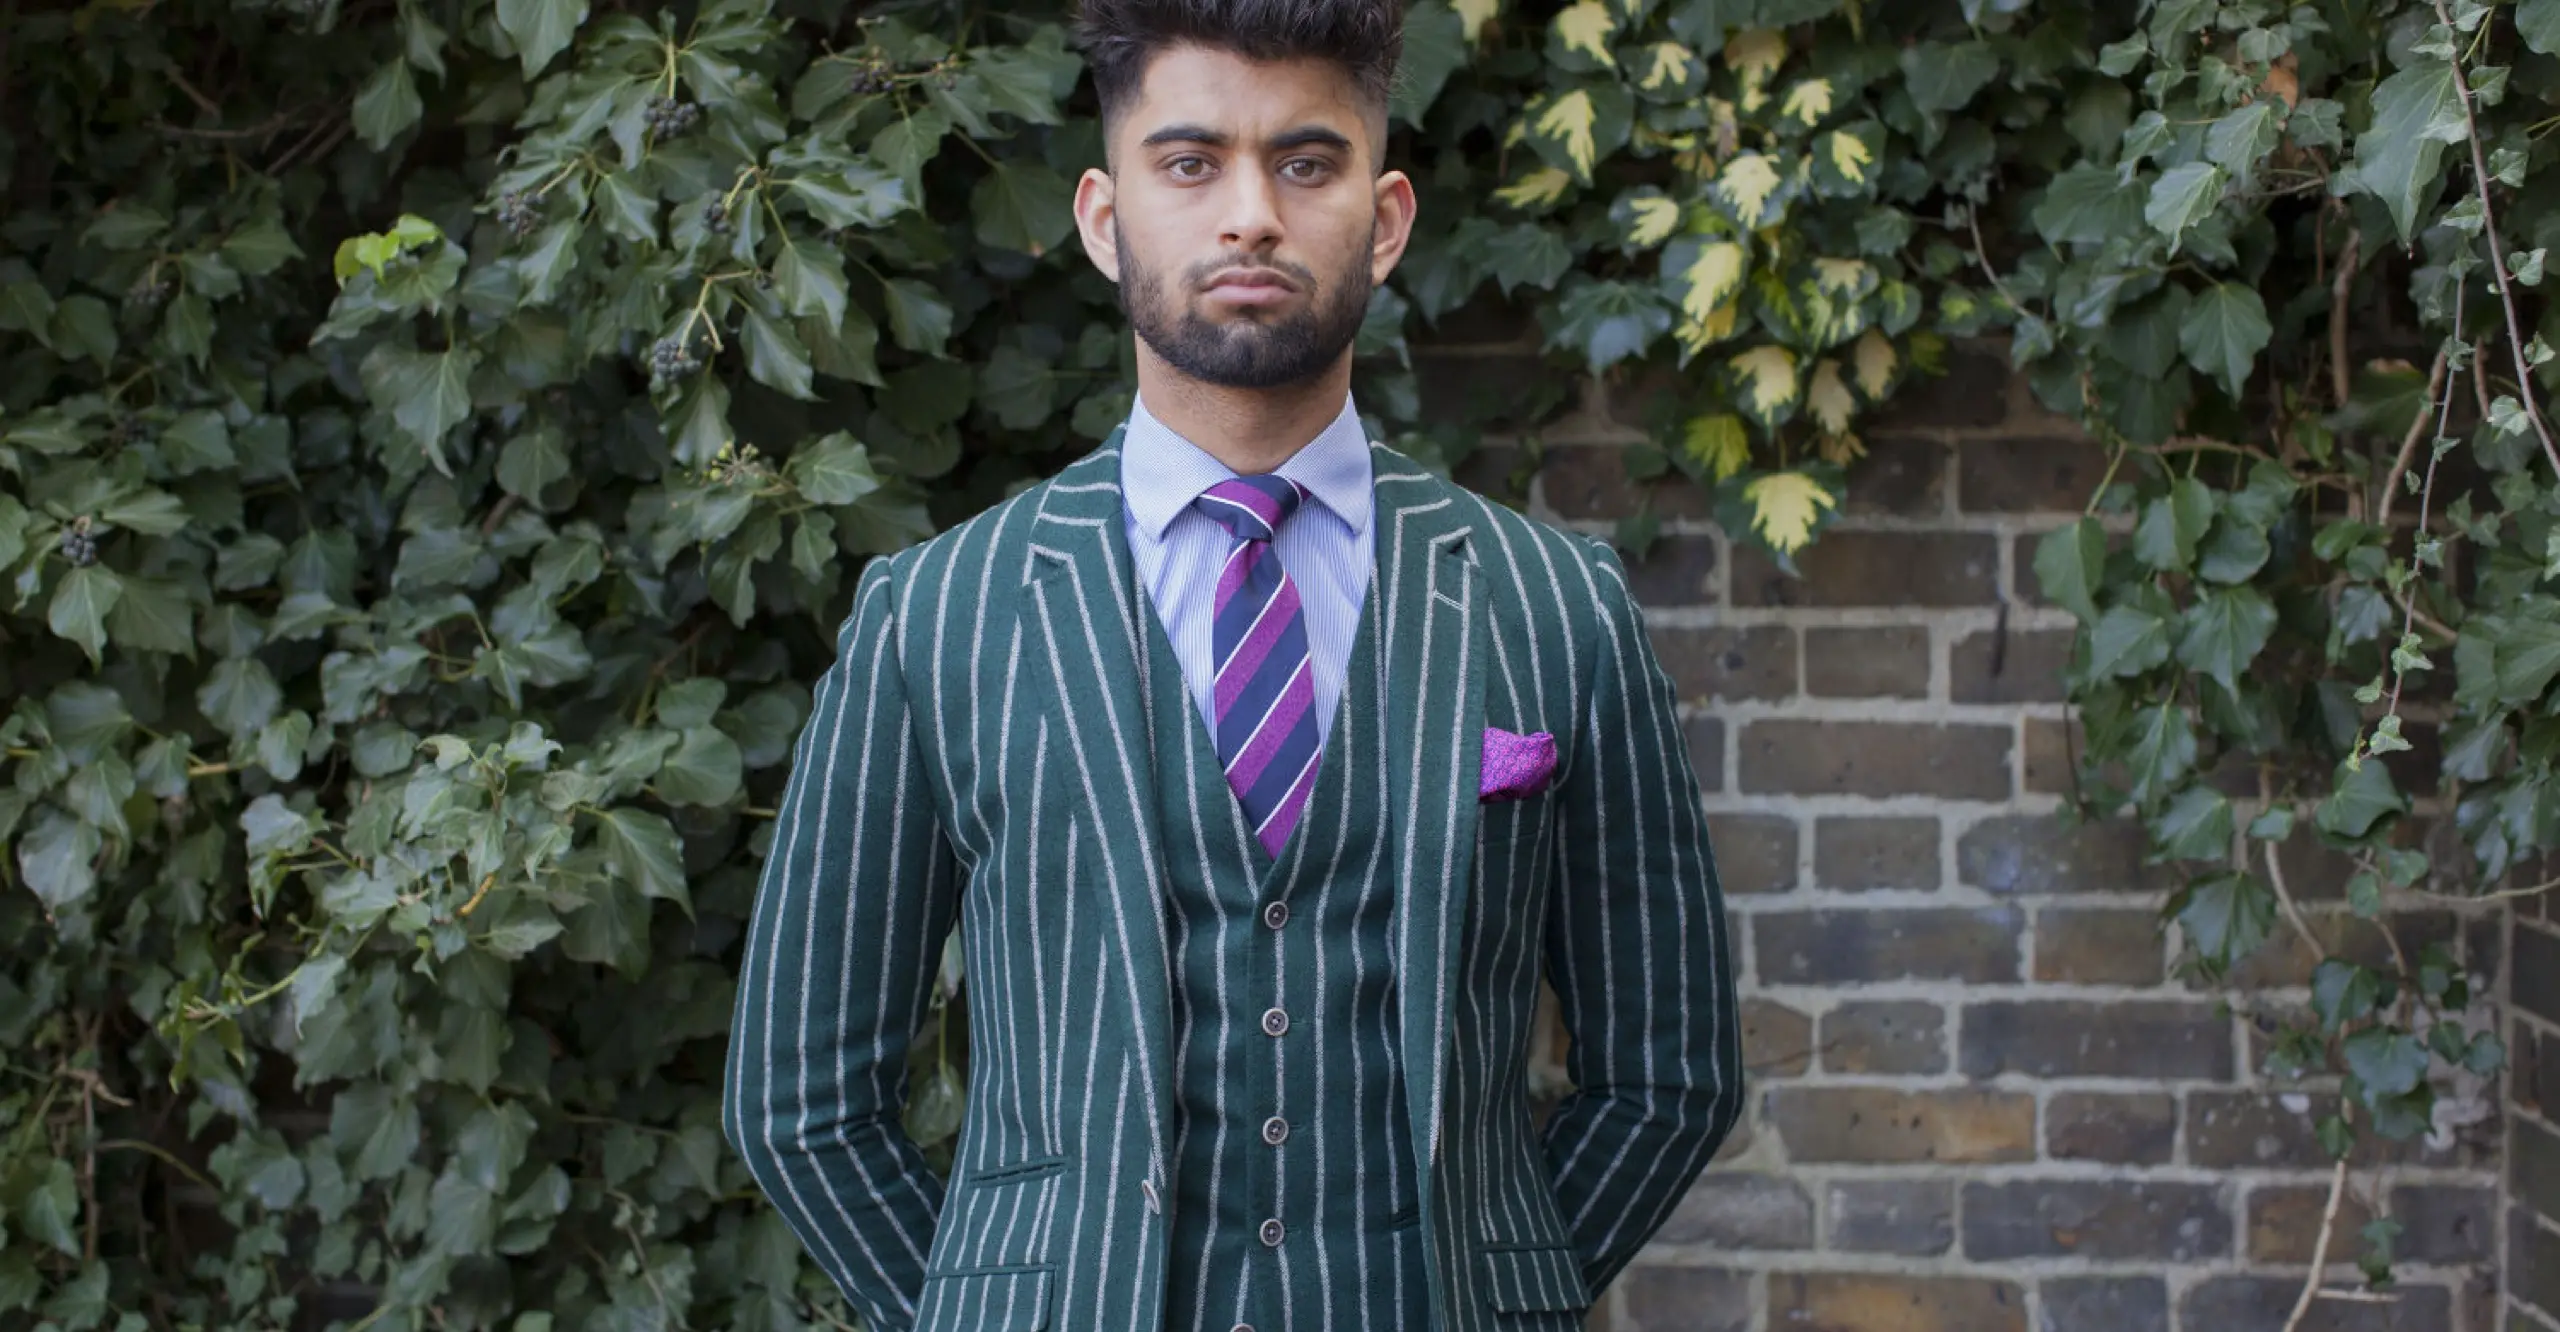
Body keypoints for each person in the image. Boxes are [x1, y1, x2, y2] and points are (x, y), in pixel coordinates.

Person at [722, 0, 1742, 1326]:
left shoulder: (1554, 605)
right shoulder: (940, 614)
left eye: (1305, 163)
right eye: (1191, 162)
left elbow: (1672, 1074)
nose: (1249, 213)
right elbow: (801, 1099)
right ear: (1104, 218)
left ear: (1383, 219)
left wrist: (1502, 1290)